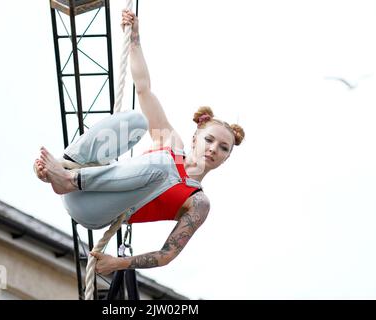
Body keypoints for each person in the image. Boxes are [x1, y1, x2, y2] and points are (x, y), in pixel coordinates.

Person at [34, 9, 245, 276]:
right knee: (136, 120)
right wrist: (134, 39)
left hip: (93, 209)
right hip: (78, 178)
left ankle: (69, 177)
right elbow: (143, 88)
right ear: (195, 138)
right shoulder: (172, 143)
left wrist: (117, 263)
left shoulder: (198, 202)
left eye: (223, 148)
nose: (214, 149)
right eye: (209, 140)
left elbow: (168, 253)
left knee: (166, 164)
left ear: (227, 157)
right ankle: (65, 166)